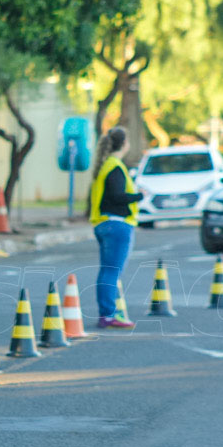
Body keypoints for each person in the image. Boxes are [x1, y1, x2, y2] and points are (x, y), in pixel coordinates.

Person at [89, 127, 143, 329]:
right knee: (111, 272)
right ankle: (108, 314)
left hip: (103, 224)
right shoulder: (115, 167)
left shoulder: (105, 165)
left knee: (107, 271)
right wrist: (139, 195)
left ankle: (107, 314)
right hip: (116, 225)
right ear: (124, 144)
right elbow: (117, 196)